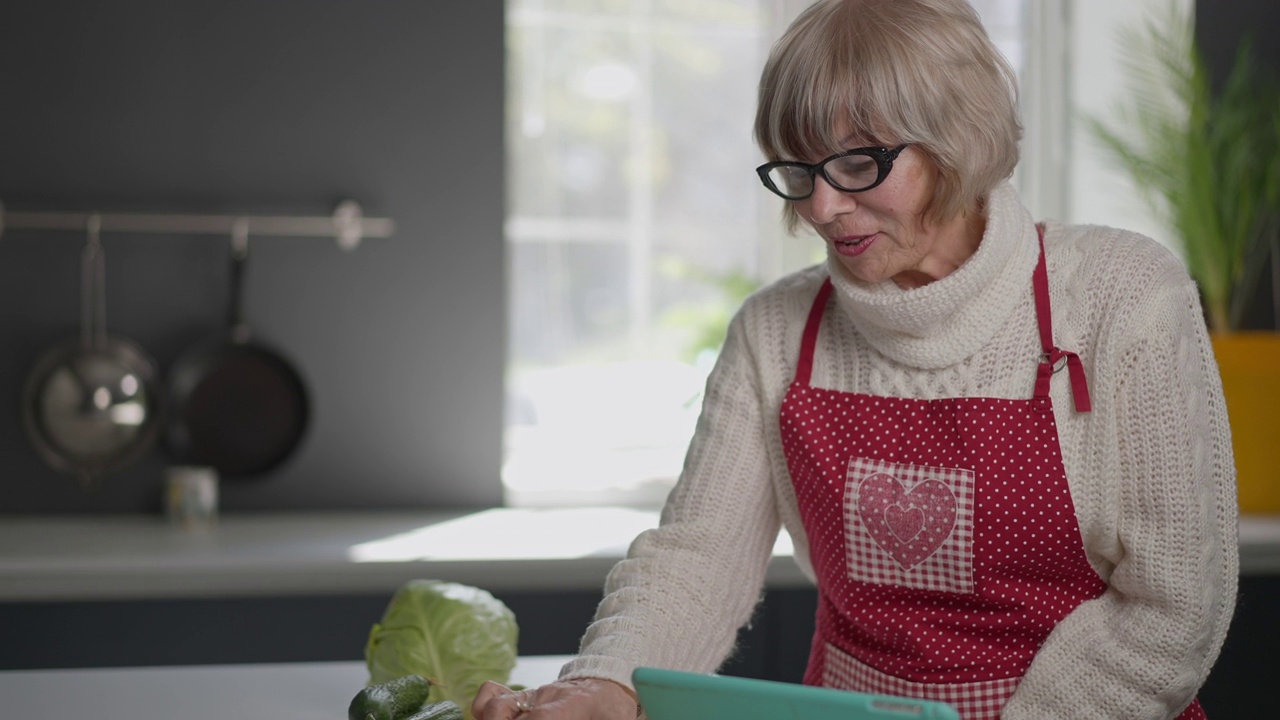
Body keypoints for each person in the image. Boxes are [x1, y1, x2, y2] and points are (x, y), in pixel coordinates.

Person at [473, 0, 1239, 718]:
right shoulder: (775, 330)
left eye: (858, 164)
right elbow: (696, 559)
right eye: (799, 170)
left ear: (957, 139)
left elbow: (1172, 606)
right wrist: (604, 686)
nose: (820, 207)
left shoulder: (1121, 297)